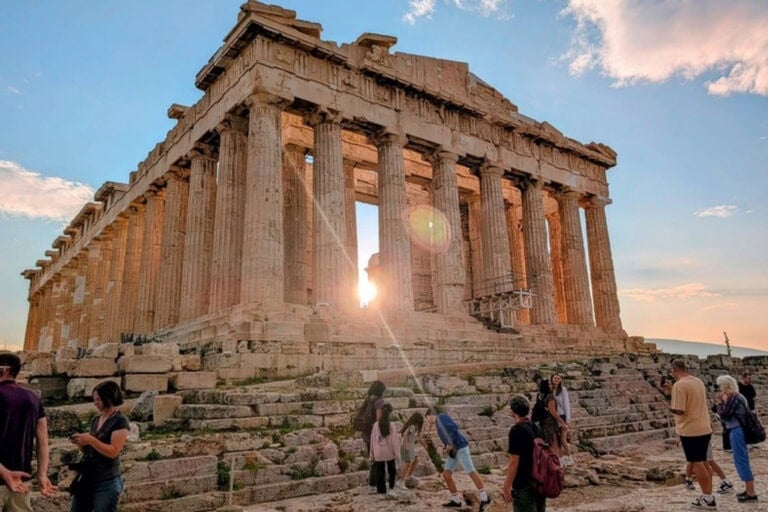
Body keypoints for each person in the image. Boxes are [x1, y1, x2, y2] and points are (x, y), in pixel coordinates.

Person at [0, 352, 54, 512]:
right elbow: (43, 441)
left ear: (4, 370)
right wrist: (42, 475)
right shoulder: (33, 398)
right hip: (21, 479)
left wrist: (4, 473)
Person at [68, 380, 130, 512]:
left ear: (108, 398)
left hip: (107, 480)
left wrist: (90, 440)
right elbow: (92, 449)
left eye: (98, 399)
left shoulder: (120, 421)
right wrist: (81, 443)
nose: (95, 403)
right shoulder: (96, 420)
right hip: (88, 477)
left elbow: (113, 452)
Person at [669, 359, 715, 508]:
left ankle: (708, 498)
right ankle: (708, 494)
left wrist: (668, 403)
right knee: (704, 462)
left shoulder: (679, 385)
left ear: (674, 370)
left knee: (696, 463)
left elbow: (679, 409)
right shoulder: (698, 381)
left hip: (690, 430)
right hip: (704, 426)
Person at [425, 409, 491, 510]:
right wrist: (446, 447)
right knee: (446, 474)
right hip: (454, 452)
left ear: (430, 415)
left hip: (461, 448)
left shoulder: (441, 417)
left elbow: (454, 428)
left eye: (427, 418)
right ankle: (456, 500)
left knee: (471, 471)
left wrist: (450, 444)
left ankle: (484, 497)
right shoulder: (438, 424)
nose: (427, 421)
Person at [716, 374, 758, 503]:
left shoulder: (733, 398)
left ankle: (751, 492)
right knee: (740, 458)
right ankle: (749, 489)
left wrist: (721, 402)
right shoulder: (739, 397)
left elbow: (724, 414)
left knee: (741, 459)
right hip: (738, 429)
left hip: (737, 430)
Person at [503, 394, 545, 512]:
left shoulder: (516, 430)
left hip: (523, 482)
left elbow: (514, 462)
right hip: (539, 479)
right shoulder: (537, 427)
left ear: (513, 412)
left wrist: (506, 485)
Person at [353, 380, 386, 487]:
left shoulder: (368, 399)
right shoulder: (379, 401)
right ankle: (375, 483)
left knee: (372, 458)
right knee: (378, 459)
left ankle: (372, 482)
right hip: (375, 433)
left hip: (366, 433)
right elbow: (379, 419)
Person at [370, 403, 401, 499]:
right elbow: (394, 441)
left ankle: (381, 492)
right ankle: (391, 489)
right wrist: (397, 454)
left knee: (380, 471)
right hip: (389, 452)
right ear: (390, 413)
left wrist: (372, 454)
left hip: (378, 453)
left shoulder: (375, 425)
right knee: (392, 471)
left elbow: (372, 440)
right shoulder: (391, 425)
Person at [550, 374, 573, 466]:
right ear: (552, 379)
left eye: (558, 378)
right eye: (555, 378)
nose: (556, 380)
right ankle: (561, 459)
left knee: (563, 439)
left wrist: (568, 419)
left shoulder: (563, 390)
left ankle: (569, 457)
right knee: (557, 439)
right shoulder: (551, 391)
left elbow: (566, 405)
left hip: (562, 416)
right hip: (554, 417)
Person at [536, 380, 563, 458]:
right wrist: (562, 423)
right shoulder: (550, 396)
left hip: (543, 422)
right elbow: (553, 412)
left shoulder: (540, 395)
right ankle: (556, 466)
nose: (552, 385)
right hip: (551, 424)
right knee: (554, 446)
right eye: (550, 384)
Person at [398, 412, 424, 489]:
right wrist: (406, 445)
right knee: (408, 463)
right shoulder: (412, 426)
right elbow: (405, 434)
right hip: (407, 446)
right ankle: (401, 481)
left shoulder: (413, 426)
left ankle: (409, 476)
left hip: (410, 446)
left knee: (416, 460)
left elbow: (411, 436)